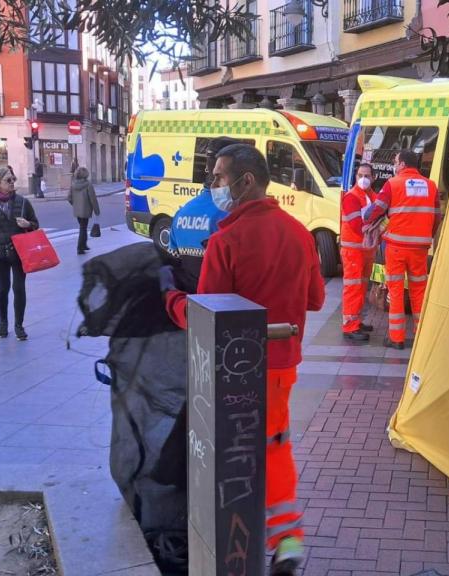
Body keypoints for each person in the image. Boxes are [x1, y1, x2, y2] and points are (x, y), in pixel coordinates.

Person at [162, 144, 324, 575]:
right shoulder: (300, 234)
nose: (215, 185)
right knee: (274, 442)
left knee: (238, 452)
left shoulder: (226, 240)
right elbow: (315, 298)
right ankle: (283, 537)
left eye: (219, 177)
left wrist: (172, 300)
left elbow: (209, 316)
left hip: (235, 374)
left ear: (245, 180)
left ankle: (256, 542)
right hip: (282, 365)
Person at [362, 150, 440, 350]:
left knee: (395, 291)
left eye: (396, 162)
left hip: (396, 247)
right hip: (420, 249)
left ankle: (396, 338)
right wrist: (426, 236)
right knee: (418, 292)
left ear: (403, 164)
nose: (394, 166)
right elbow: (436, 217)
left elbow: (376, 210)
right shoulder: (431, 186)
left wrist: (367, 217)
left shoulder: (393, 184)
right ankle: (420, 337)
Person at [0, 166, 39, 341]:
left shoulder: (22, 202)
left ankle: (19, 325)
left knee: (19, 288)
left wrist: (28, 224)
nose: (12, 183)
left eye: (13, 179)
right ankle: (3, 322)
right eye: (8, 180)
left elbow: (35, 224)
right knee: (2, 288)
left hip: (20, 252)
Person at [168, 136, 239, 288]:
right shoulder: (234, 215)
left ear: (208, 168)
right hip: (225, 306)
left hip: (188, 305)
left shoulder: (182, 213)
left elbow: (172, 267)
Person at [339, 163, 377, 342]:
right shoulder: (351, 197)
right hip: (353, 250)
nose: (363, 179)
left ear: (373, 178)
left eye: (367, 175)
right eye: (360, 175)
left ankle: (357, 320)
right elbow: (356, 226)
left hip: (365, 250)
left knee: (361, 287)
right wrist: (376, 228)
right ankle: (349, 326)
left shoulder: (372, 196)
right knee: (353, 288)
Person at [68, 166, 100, 255]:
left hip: (77, 211)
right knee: (83, 228)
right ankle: (79, 248)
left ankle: (84, 245)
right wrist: (97, 210)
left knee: (83, 227)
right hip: (85, 210)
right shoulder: (88, 184)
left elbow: (69, 198)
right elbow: (93, 199)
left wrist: (75, 205)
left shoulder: (73, 184)